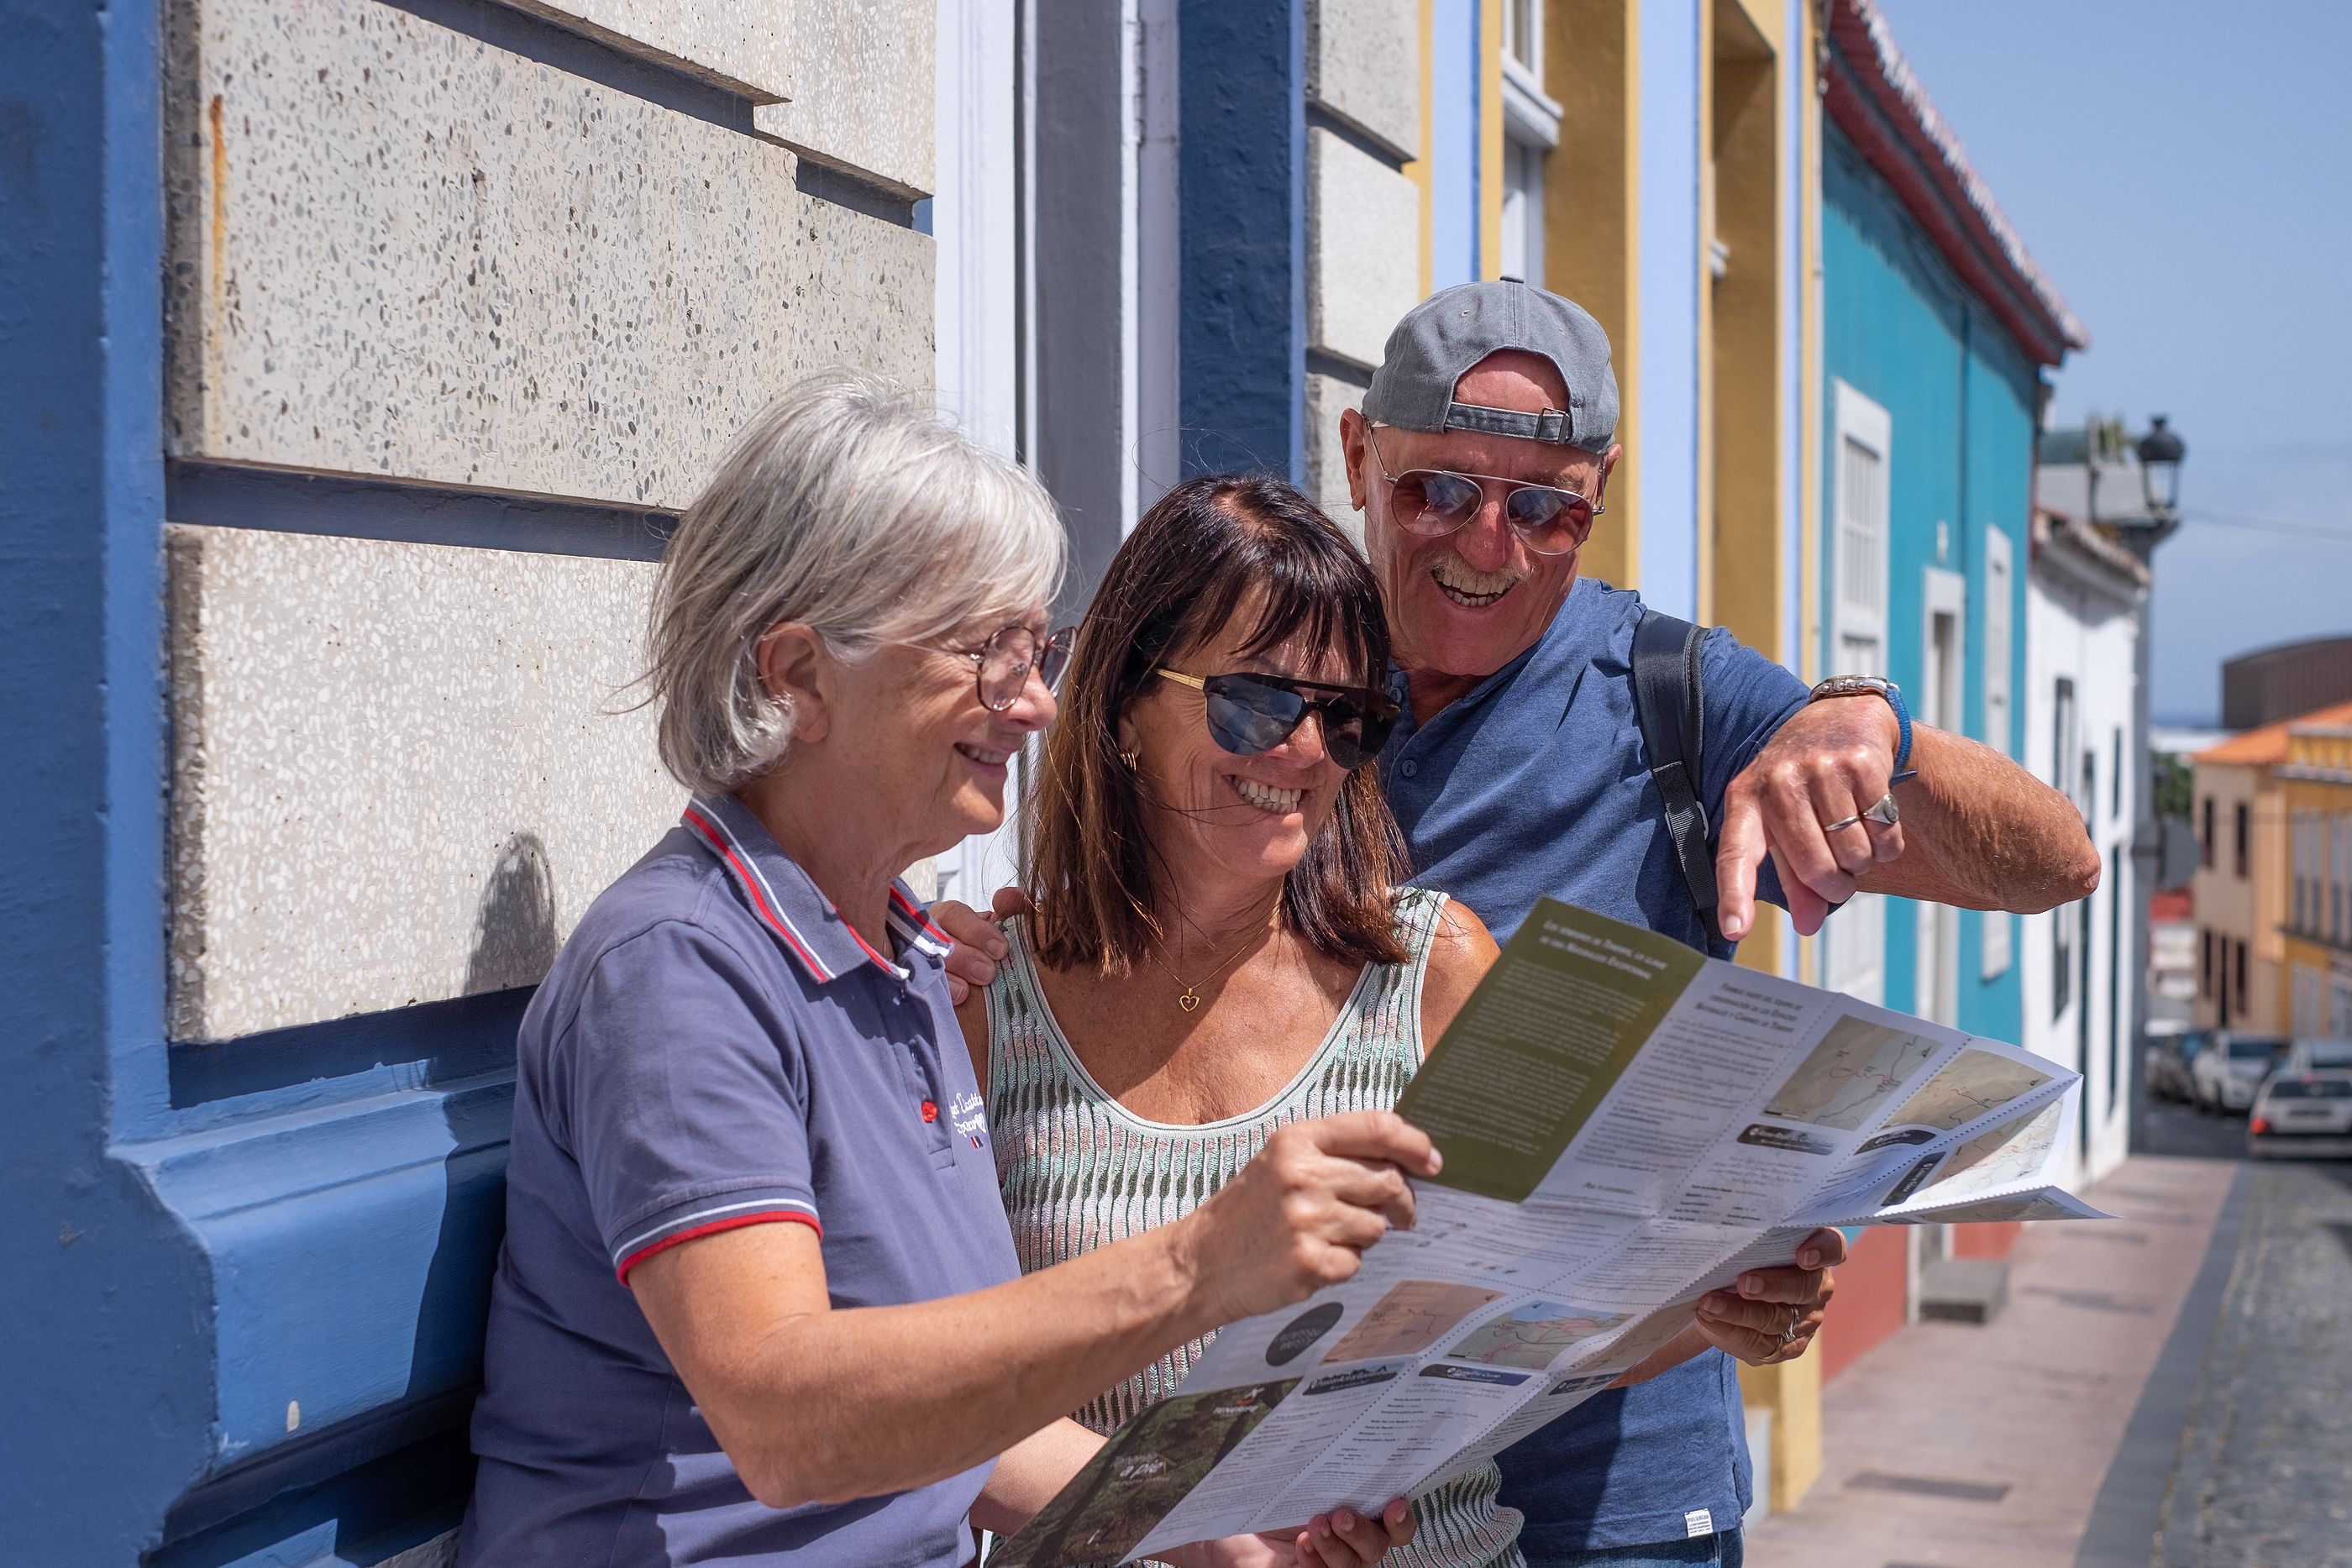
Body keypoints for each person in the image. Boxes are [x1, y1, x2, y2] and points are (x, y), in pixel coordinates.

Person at [941, 282, 2100, 1568]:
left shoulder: (1676, 699)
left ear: (1597, 496)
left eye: (1544, 507)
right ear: (1360, 457)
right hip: (1294, 1506)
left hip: (1619, 1498)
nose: (1488, 545)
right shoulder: (1296, 646)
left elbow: (2056, 862)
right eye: (1441, 490)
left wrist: (1868, 725)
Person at [457, 375, 1431, 1568]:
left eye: (1037, 651)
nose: (1032, 704)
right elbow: (787, 1419)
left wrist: (1209, 1524)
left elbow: (953, 1423)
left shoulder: (910, 958)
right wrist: (1196, 1263)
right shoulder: (680, 972)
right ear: (798, 675)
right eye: (984, 652)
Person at [958, 475, 1527, 1568]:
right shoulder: (988, 1002)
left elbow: (1564, 1308)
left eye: (1348, 718)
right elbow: (938, 1392)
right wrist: (1189, 1528)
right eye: (1258, 702)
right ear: (1125, 707)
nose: (1306, 752)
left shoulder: (1434, 970)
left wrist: (1729, 1302)